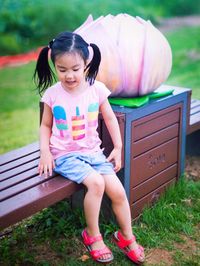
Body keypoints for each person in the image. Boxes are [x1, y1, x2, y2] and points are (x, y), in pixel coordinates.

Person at [34, 31, 145, 264]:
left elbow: (111, 118)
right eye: (62, 69)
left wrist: (118, 146)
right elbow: (45, 125)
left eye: (75, 68)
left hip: (93, 152)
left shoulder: (97, 89)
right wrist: (45, 151)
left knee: (118, 191)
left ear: (86, 62)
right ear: (54, 65)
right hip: (65, 154)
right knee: (96, 183)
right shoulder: (53, 94)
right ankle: (93, 236)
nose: (69, 75)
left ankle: (126, 236)